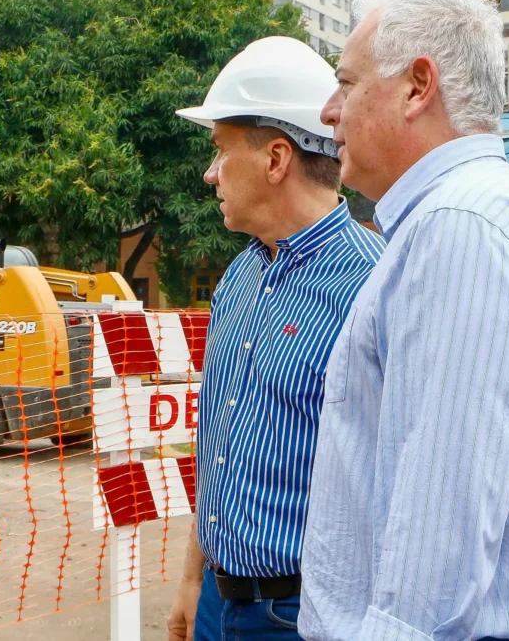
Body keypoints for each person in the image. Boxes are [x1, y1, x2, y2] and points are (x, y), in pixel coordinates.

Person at [298, 0, 509, 641]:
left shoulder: (462, 229)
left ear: (416, 86)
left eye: (346, 84)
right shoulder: (471, 220)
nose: (328, 111)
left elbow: (438, 541)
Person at [167, 36, 385, 641]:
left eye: (220, 151)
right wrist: (193, 581)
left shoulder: (375, 284)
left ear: (275, 159)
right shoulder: (239, 276)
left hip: (307, 615)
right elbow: (217, 440)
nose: (210, 174)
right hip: (218, 598)